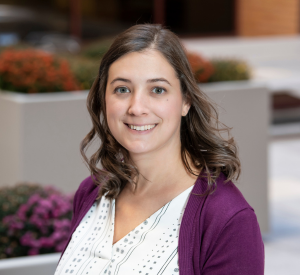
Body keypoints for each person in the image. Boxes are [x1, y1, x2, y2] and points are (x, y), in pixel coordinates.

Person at [54, 24, 264, 275]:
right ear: (103, 98)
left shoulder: (228, 218)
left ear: (185, 100)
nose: (136, 107)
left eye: (157, 90)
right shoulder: (92, 193)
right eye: (122, 89)